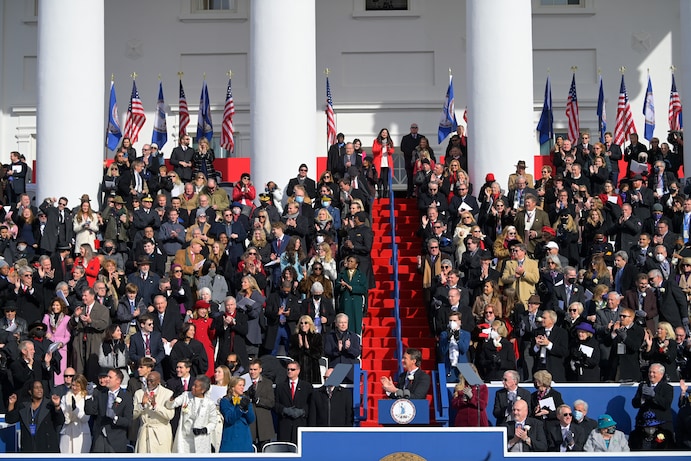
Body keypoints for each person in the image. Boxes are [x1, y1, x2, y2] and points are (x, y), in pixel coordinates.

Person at [165, 374, 218, 453]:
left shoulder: (209, 403)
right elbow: (170, 405)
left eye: (196, 386)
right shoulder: (186, 396)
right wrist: (173, 397)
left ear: (203, 390)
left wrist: (204, 430)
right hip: (184, 438)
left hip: (200, 439)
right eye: (193, 385)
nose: (192, 387)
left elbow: (213, 422)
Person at [5, 380, 64, 453]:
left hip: (47, 450)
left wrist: (57, 406)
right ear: (30, 391)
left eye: (41, 387)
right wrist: (11, 404)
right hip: (29, 449)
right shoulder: (24, 407)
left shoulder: (50, 405)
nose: (39, 389)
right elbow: (10, 419)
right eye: (36, 387)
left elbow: (60, 421)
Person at [85, 368, 133, 453]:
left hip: (116, 440)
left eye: (110, 377)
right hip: (99, 437)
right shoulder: (101, 394)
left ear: (118, 380)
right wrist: (88, 396)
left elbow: (128, 422)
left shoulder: (127, 397)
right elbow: (90, 411)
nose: (107, 379)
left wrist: (115, 418)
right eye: (107, 376)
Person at [133, 370, 174, 453]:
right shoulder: (139, 393)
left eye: (151, 381)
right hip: (145, 433)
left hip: (161, 433)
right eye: (147, 380)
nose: (149, 383)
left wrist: (155, 406)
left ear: (158, 381)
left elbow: (170, 415)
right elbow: (133, 415)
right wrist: (142, 405)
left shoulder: (168, 393)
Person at [275, 360, 312, 444]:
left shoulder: (307, 386)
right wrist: (284, 410)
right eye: (288, 369)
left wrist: (303, 411)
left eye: (292, 369)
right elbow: (275, 404)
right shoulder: (280, 387)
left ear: (298, 371)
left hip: (300, 424)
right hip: (285, 425)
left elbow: (311, 404)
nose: (289, 371)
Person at [632, 362, 674, 432]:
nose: (651, 374)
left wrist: (654, 395)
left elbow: (666, 404)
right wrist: (642, 399)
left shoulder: (667, 388)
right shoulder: (643, 386)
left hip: (661, 424)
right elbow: (634, 404)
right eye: (650, 372)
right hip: (644, 423)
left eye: (654, 372)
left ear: (661, 374)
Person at [219, 376, 255, 452]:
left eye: (243, 385)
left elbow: (251, 419)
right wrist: (240, 407)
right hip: (231, 436)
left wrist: (246, 406)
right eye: (240, 385)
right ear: (232, 387)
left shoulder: (245, 399)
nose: (242, 387)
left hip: (244, 437)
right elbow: (229, 418)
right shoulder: (225, 401)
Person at [246, 359, 275, 450]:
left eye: (255, 369)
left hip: (264, 422)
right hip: (250, 422)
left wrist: (258, 400)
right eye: (251, 369)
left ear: (260, 370)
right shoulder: (244, 382)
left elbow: (271, 402)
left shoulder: (267, 383)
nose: (253, 372)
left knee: (265, 449)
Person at [335, 255, 368, 335]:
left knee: (356, 322)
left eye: (351, 261)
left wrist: (351, 288)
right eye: (348, 261)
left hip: (356, 302)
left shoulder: (361, 275)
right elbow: (336, 287)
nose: (349, 263)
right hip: (345, 301)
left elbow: (364, 289)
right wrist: (342, 286)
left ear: (356, 265)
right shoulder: (342, 274)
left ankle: (356, 341)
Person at [59, 373, 91, 453]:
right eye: (73, 385)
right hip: (67, 431)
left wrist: (75, 409)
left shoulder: (87, 398)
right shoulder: (65, 397)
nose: (74, 388)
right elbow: (63, 413)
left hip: (81, 433)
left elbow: (85, 418)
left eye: (77, 386)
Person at [289, 315, 324, 384]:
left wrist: (308, 348)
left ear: (310, 324)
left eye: (306, 323)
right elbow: (291, 353)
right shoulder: (295, 337)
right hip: (300, 369)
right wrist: (300, 346)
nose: (303, 325)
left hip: (313, 370)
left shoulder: (317, 337)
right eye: (301, 323)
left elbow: (319, 354)